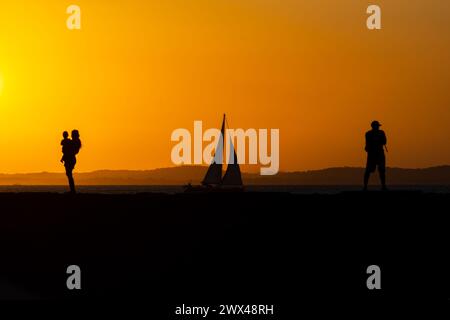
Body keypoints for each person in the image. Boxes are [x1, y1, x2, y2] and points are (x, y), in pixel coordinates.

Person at [363, 121, 387, 191]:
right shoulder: (368, 134)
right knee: (368, 170)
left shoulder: (381, 133)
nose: (378, 127)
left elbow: (384, 141)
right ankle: (365, 187)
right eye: (377, 126)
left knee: (382, 170)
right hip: (372, 154)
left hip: (379, 153)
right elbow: (367, 144)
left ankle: (383, 186)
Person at [61, 130, 82, 194]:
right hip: (69, 158)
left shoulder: (75, 141)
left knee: (69, 174)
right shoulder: (73, 141)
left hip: (70, 159)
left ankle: (72, 191)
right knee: (69, 174)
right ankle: (72, 190)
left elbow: (70, 150)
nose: (71, 135)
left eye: (72, 134)